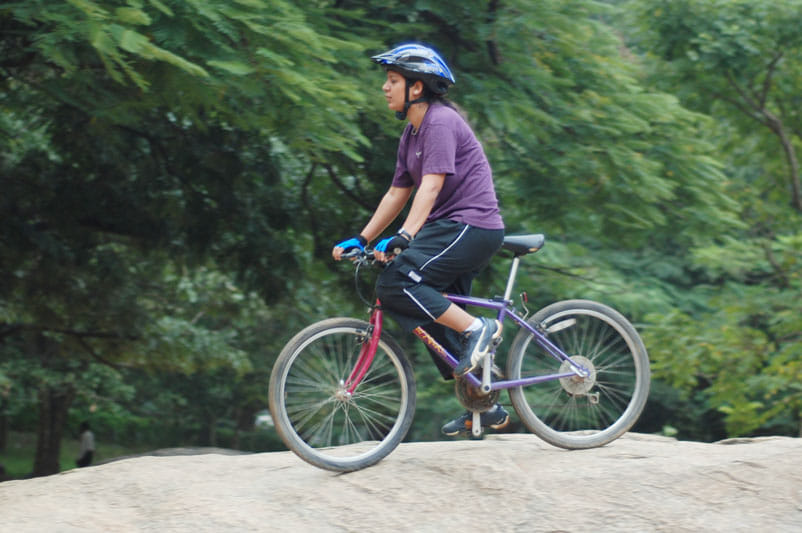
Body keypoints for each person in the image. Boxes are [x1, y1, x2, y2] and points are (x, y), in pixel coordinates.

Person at [332, 43, 509, 436]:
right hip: (450, 228)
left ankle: (479, 329)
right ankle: (483, 402)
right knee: (425, 306)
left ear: (417, 88)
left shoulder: (440, 121)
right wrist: (362, 239)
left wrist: (405, 236)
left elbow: (429, 187)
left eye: (393, 80)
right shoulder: (411, 134)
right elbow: (397, 193)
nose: (384, 87)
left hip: (472, 225)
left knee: (398, 282)